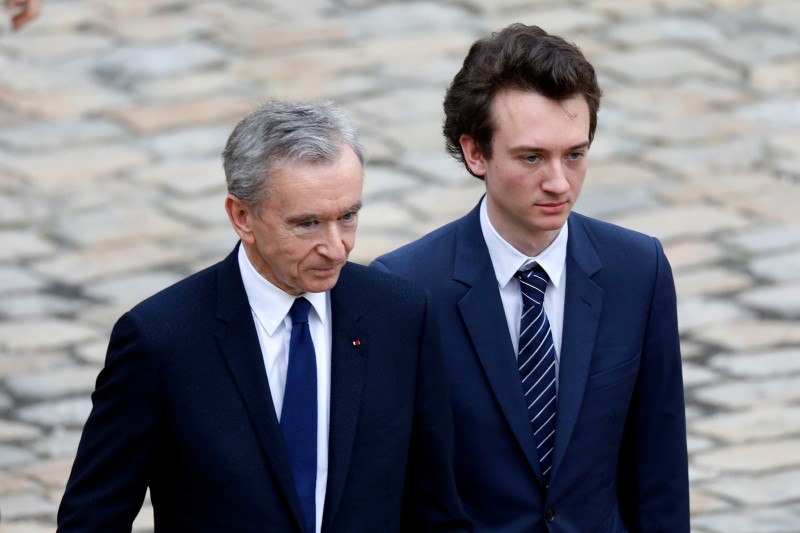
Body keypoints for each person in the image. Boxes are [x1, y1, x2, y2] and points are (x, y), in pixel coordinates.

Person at [58, 100, 471, 533]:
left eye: (347, 217)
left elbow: (437, 509)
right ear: (242, 218)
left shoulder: (401, 316)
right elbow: (92, 519)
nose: (336, 247)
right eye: (307, 224)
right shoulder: (161, 341)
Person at [372, 23, 690, 532]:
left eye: (575, 155)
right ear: (476, 153)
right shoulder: (406, 289)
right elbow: (396, 486)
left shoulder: (638, 269)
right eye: (532, 158)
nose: (559, 183)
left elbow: (659, 465)